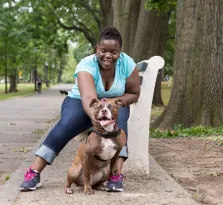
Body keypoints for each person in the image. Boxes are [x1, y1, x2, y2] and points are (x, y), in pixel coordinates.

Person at [20, 26, 140, 192]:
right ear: (97, 48)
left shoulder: (127, 63)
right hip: (80, 101)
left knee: (120, 124)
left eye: (114, 52)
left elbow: (134, 93)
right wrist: (96, 118)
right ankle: (34, 172)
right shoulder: (86, 64)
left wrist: (113, 102)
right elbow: (88, 97)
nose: (108, 55)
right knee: (66, 124)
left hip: (113, 106)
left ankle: (115, 175)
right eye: (103, 50)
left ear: (120, 51)